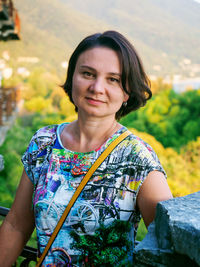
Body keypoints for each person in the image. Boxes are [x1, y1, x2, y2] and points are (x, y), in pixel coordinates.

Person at [0, 30, 173, 266]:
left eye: (113, 79)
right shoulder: (44, 143)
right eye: (88, 74)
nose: (97, 87)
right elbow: (16, 224)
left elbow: (169, 246)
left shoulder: (137, 159)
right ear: (73, 78)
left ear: (127, 91)